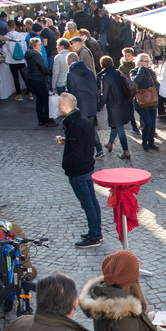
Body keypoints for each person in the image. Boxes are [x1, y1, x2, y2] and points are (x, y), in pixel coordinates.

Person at [57, 93, 103, 247]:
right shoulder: (84, 121)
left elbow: (76, 152)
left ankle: (94, 236)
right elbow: (84, 143)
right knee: (92, 202)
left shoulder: (75, 124)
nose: (57, 107)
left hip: (79, 171)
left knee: (88, 204)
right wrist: (66, 141)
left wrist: (65, 163)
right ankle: (96, 231)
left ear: (65, 106)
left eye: (59, 104)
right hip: (87, 168)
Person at [65, 53, 102, 158]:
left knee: (80, 130)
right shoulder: (89, 72)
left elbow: (71, 93)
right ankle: (99, 149)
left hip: (80, 106)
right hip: (91, 104)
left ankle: (86, 151)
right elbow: (95, 89)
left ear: (69, 62)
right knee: (90, 128)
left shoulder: (71, 74)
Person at [97, 55, 133, 160]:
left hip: (113, 106)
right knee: (116, 126)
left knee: (119, 128)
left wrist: (99, 106)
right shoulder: (118, 73)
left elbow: (105, 94)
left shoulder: (106, 77)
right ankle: (110, 144)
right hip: (123, 103)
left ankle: (126, 151)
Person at [131, 53, 159, 152]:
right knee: (148, 122)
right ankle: (144, 142)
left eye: (148, 61)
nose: (148, 63)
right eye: (145, 61)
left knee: (153, 123)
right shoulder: (134, 72)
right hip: (141, 101)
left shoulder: (151, 72)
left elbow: (156, 83)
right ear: (140, 62)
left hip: (151, 100)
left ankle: (151, 141)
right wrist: (141, 69)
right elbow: (136, 81)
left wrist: (154, 89)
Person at [24, 38, 55, 126]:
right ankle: (47, 119)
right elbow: (43, 68)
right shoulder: (37, 55)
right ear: (34, 46)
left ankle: (41, 119)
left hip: (32, 79)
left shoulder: (29, 54)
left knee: (39, 99)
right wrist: (49, 73)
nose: (40, 46)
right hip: (39, 79)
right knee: (45, 99)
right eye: (38, 45)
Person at [3, 24, 28, 101]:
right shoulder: (21, 36)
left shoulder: (6, 37)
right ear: (15, 26)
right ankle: (30, 93)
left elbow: (4, 50)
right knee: (25, 76)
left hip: (12, 61)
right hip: (22, 60)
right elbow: (25, 47)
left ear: (8, 27)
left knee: (16, 78)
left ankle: (19, 95)